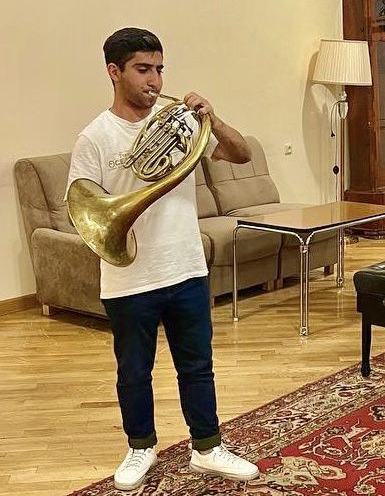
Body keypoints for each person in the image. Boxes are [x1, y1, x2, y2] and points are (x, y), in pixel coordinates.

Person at [66, 28, 259, 491]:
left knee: (197, 365)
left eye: (159, 69)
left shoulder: (182, 122)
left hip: (185, 265)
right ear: (114, 72)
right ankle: (140, 447)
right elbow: (85, 209)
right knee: (134, 371)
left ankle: (207, 447)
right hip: (128, 275)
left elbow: (241, 153)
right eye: (143, 69)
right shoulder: (94, 137)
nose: (154, 80)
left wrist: (214, 119)